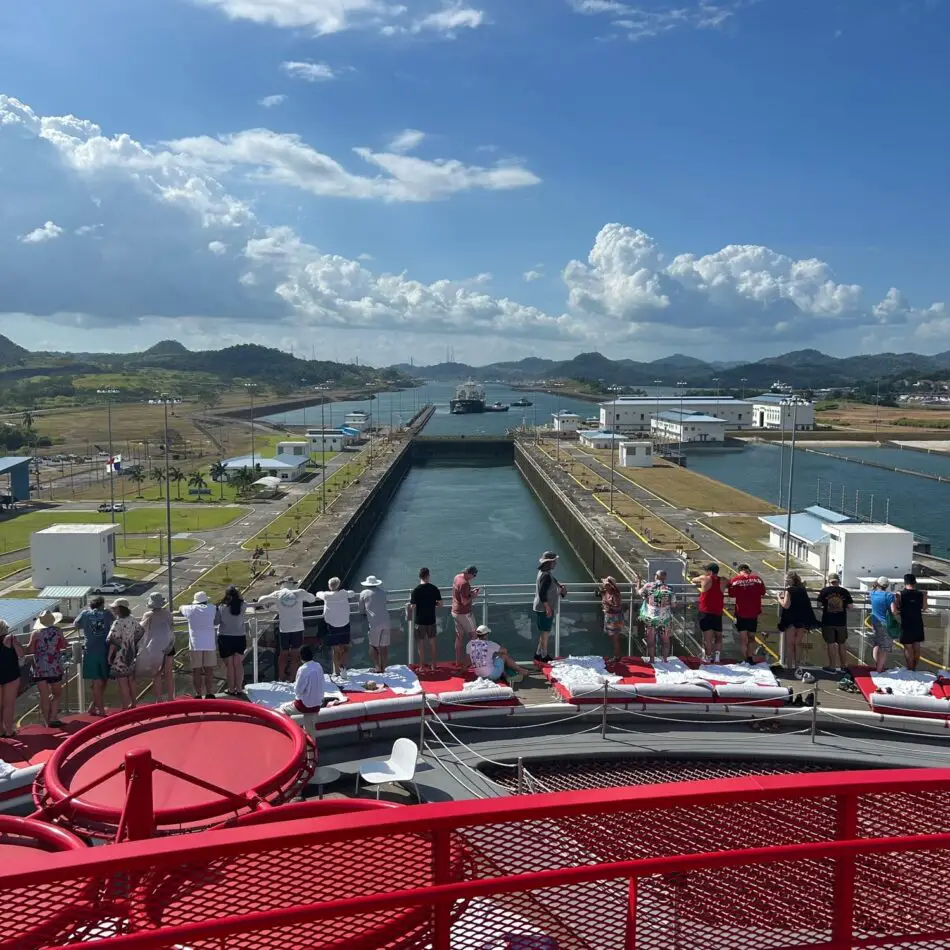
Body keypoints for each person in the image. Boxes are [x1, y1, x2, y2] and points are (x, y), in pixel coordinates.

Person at [256, 577, 317, 682]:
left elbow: (261, 600)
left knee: (283, 654)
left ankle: (281, 677)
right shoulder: (300, 592)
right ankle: (293, 678)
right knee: (295, 654)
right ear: (293, 584)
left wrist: (273, 608)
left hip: (284, 628)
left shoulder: (278, 594)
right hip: (297, 628)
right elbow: (312, 599)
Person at [73, 595, 113, 716]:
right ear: (101, 604)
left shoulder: (85, 614)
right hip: (104, 650)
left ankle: (93, 706)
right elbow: (115, 621)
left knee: (98, 680)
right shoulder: (107, 614)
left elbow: (76, 624)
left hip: (90, 649)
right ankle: (100, 710)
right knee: (102, 680)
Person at [27, 609, 67, 728]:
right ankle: (54, 717)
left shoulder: (36, 633)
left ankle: (46, 721)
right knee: (57, 693)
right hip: (54, 666)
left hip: (40, 667)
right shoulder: (58, 631)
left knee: (44, 696)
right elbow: (64, 644)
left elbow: (30, 649)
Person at [777, 573, 818, 681]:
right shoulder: (802, 590)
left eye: (787, 579)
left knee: (790, 644)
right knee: (798, 643)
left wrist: (779, 598)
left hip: (791, 619)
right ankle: (797, 665)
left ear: (791, 580)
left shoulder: (788, 591)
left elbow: (786, 605)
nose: (785, 581)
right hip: (802, 619)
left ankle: (789, 666)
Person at [107, 599, 145, 710]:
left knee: (122, 682)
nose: (113, 610)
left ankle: (125, 707)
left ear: (119, 609)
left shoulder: (117, 623)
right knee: (131, 680)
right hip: (131, 654)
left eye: (114, 608)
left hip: (120, 656)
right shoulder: (132, 620)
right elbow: (140, 632)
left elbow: (112, 640)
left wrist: (109, 657)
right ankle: (134, 704)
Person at [180, 591, 219, 699]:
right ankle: (209, 692)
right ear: (206, 600)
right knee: (209, 670)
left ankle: (198, 694)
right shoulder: (212, 608)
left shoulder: (190, 609)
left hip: (195, 643)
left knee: (196, 670)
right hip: (209, 643)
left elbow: (180, 608)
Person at [139, 592, 176, 702]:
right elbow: (171, 628)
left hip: (154, 647)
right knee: (168, 673)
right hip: (169, 645)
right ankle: (171, 698)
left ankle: (159, 699)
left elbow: (142, 630)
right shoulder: (168, 614)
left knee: (156, 674)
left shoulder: (147, 615)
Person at [727, 564, 767, 665]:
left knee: (743, 639)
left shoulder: (735, 580)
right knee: (751, 638)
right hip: (753, 613)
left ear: (740, 571)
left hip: (741, 613)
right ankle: (750, 658)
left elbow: (731, 594)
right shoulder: (757, 579)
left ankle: (745, 659)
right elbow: (763, 591)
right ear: (748, 570)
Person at [316, 577, 356, 678]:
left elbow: (318, 594)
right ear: (339, 585)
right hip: (345, 624)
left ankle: (336, 671)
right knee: (345, 648)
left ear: (329, 586)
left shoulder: (326, 595)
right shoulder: (343, 593)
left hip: (331, 625)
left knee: (335, 649)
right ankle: (343, 668)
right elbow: (352, 593)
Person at [816, 573, 853, 674]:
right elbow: (850, 607)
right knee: (842, 644)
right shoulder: (844, 591)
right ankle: (843, 666)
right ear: (838, 581)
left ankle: (832, 667)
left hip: (828, 621)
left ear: (829, 581)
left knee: (831, 644)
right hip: (841, 622)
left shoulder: (825, 591)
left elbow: (818, 604)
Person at [407, 567, 442, 672]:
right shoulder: (434, 588)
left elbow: (412, 607)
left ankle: (422, 666)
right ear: (428, 576)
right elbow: (440, 604)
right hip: (431, 620)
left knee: (420, 644)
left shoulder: (416, 590)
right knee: (432, 643)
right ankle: (433, 665)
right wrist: (433, 603)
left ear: (419, 576)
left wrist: (408, 606)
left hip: (420, 621)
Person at [533, 553, 566, 663]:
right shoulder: (546, 576)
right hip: (544, 608)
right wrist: (547, 607)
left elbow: (554, 582)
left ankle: (538, 654)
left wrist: (559, 585)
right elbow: (543, 593)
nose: (555, 563)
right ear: (548, 563)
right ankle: (544, 655)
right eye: (554, 561)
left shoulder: (544, 573)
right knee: (545, 632)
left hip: (541, 607)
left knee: (544, 631)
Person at [691, 563, 726, 663]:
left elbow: (694, 580)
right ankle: (717, 658)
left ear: (710, 572)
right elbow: (730, 582)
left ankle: (708, 657)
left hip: (706, 611)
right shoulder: (723, 580)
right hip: (717, 612)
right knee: (718, 636)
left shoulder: (704, 578)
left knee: (707, 637)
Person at [638, 570, 675, 662]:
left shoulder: (649, 586)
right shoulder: (669, 588)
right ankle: (665, 660)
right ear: (665, 577)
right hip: (665, 618)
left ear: (656, 576)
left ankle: (652, 659)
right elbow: (674, 604)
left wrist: (638, 581)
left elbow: (639, 592)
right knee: (666, 640)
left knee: (651, 640)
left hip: (651, 618)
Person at [217, 586, 247, 695]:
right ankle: (239, 689)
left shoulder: (222, 607)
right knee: (238, 664)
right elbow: (242, 601)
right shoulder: (243, 605)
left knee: (229, 665)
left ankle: (230, 689)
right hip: (240, 637)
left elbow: (216, 622)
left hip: (225, 637)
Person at [895, 573, 927, 672]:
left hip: (906, 623)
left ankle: (910, 669)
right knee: (916, 646)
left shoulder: (900, 594)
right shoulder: (921, 594)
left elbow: (897, 607)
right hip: (918, 622)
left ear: (905, 583)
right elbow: (925, 607)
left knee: (908, 647)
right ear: (914, 582)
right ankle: (914, 668)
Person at [359, 575, 391, 673]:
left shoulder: (364, 593)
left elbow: (361, 609)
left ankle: (377, 667)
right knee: (384, 646)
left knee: (373, 645)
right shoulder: (382, 592)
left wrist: (365, 612)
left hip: (374, 622)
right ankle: (383, 668)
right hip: (386, 620)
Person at [0, 620, 25, 738]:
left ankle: (0, 730)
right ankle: (9, 731)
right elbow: (21, 654)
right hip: (11, 674)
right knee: (8, 705)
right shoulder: (9, 639)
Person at [452, 565, 480, 667]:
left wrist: (470, 592)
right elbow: (464, 601)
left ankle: (458, 662)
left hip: (455, 611)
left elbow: (460, 595)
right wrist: (473, 596)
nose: (474, 577)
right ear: (470, 574)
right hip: (464, 613)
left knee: (459, 636)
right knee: (474, 636)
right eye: (474, 575)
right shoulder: (464, 583)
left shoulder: (457, 577)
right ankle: (470, 662)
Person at [869, 577, 897, 674]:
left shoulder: (872, 593)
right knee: (884, 648)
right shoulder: (889, 596)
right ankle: (879, 670)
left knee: (877, 644)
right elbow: (893, 611)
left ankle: (877, 665)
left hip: (875, 622)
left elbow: (873, 589)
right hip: (885, 623)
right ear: (887, 586)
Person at [291, 644, 326, 713]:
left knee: (283, 711)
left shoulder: (302, 669)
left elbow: (298, 691)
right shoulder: (318, 666)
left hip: (304, 706)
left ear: (301, 657)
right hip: (317, 705)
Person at [599, 576, 624, 661]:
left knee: (615, 638)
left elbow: (618, 608)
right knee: (610, 637)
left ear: (611, 585)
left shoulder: (615, 594)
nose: (605, 586)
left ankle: (617, 656)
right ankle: (613, 655)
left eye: (607, 584)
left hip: (615, 618)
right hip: (609, 617)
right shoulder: (605, 592)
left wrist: (609, 606)